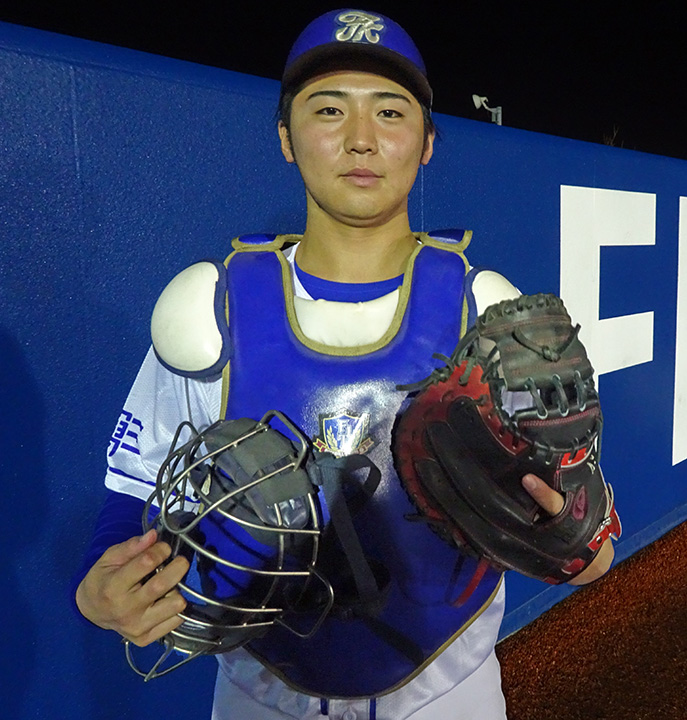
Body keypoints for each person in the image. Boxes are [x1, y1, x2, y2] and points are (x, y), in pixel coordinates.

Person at [74, 9, 614, 720]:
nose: (361, 138)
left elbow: (582, 534)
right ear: (285, 137)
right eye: (329, 109)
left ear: (427, 142)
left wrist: (573, 536)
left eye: (390, 111)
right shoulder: (212, 309)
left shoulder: (484, 312)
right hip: (261, 694)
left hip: (447, 691)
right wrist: (108, 579)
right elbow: (134, 487)